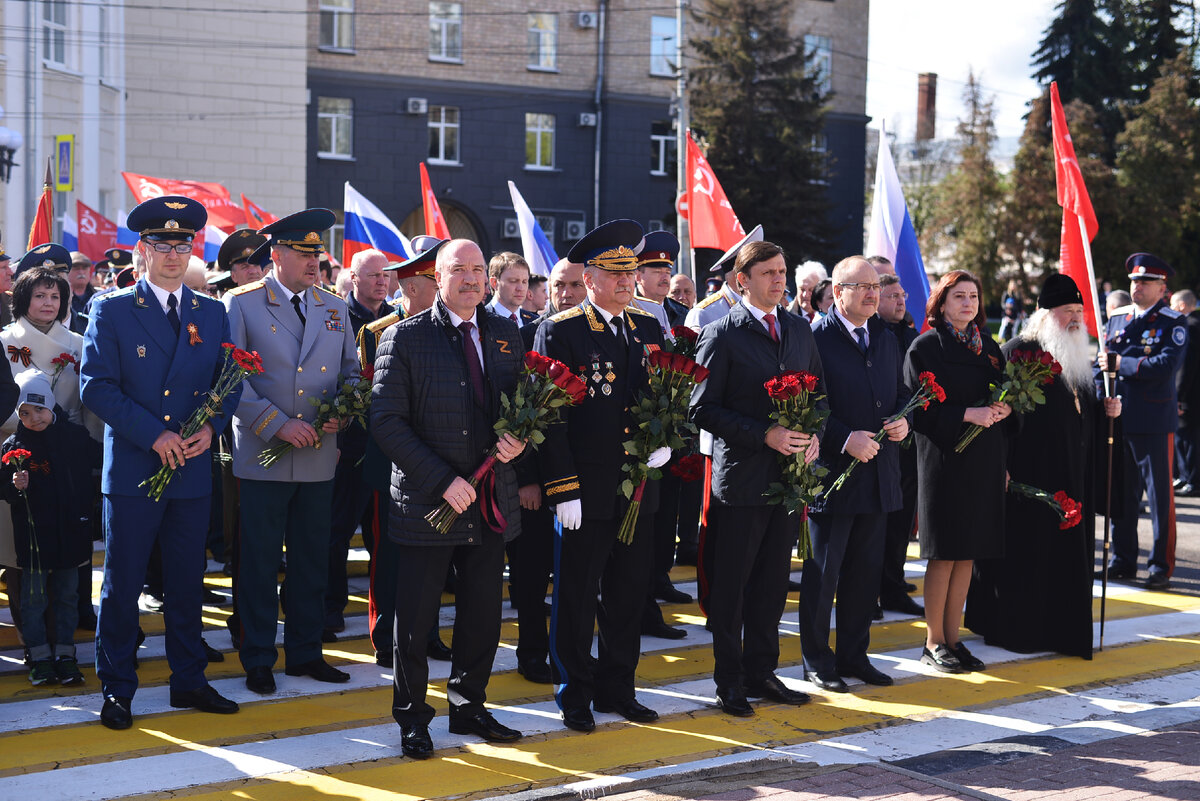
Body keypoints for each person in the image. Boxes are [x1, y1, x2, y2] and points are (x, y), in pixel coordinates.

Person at [81, 196, 241, 729]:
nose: (174, 253)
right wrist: (156, 436)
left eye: (182, 244)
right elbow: (97, 387)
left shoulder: (210, 310)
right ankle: (118, 687)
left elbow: (230, 380)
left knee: (186, 582)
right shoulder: (112, 308)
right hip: (134, 469)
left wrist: (211, 428)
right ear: (141, 252)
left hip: (192, 470)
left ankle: (188, 680)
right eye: (161, 244)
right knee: (124, 585)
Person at [372, 238, 526, 759]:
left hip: (490, 500)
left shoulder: (507, 334)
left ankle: (469, 705)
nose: (470, 279)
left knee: (482, 614)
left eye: (478, 270)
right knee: (415, 623)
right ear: (437, 277)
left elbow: (523, 408)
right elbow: (386, 422)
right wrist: (442, 480)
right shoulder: (405, 338)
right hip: (429, 503)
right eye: (458, 269)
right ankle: (413, 720)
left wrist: (521, 441)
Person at [535, 219, 668, 732]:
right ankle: (574, 692)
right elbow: (551, 418)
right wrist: (561, 487)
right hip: (584, 491)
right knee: (575, 594)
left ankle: (619, 686)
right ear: (589, 279)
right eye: (614, 274)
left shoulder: (647, 328)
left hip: (637, 486)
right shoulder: (562, 330)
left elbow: (663, 399)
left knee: (629, 593)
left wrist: (662, 443)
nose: (626, 282)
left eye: (630, 272)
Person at [223, 209, 358, 695]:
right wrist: (277, 424)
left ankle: (304, 651)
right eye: (303, 254)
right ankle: (258, 656)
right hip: (264, 451)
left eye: (316, 254)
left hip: (319, 453)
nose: (313, 262)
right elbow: (230, 378)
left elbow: (352, 374)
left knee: (310, 559)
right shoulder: (242, 304)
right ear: (276, 255)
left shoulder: (334, 307)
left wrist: (342, 413)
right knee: (259, 562)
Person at [690, 238, 820, 716]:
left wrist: (815, 435)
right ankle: (730, 682)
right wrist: (763, 433)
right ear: (741, 280)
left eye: (783, 271)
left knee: (771, 583)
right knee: (733, 587)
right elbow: (701, 408)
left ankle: (762, 671)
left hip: (787, 482)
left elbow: (819, 395)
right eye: (768, 273)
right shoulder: (722, 334)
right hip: (742, 481)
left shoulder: (799, 329)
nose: (779, 280)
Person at [967, 274, 1121, 659]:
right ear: (1043, 313)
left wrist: (1107, 413)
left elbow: (1080, 412)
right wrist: (998, 466)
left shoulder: (1076, 356)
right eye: (1066, 311)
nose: (1074, 319)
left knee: (1065, 559)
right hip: (1028, 477)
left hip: (1073, 477)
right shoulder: (1018, 352)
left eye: (1079, 312)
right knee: (1028, 557)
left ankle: (1062, 628)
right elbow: (998, 418)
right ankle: (1019, 628)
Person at [802, 257, 908, 692]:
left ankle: (853, 654)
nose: (872, 293)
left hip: (878, 474)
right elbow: (808, 402)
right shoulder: (815, 338)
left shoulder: (883, 337)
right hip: (833, 474)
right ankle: (815, 659)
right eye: (862, 286)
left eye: (876, 286)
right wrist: (844, 439)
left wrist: (905, 421)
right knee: (824, 573)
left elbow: (900, 393)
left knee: (865, 573)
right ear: (838, 291)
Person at [904, 270, 1011, 675]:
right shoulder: (925, 347)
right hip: (944, 461)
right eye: (959, 297)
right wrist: (970, 413)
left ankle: (954, 637)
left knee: (967, 552)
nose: (968, 304)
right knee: (944, 553)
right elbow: (919, 408)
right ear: (942, 303)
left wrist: (1005, 409)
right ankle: (933, 641)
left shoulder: (990, 347)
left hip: (983, 460)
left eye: (973, 296)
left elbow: (1004, 394)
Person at [357, 238, 449, 667]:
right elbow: (374, 405)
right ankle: (385, 635)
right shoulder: (377, 333)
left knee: (433, 558)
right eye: (436, 278)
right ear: (412, 286)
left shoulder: (453, 327)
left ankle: (426, 633)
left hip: (441, 461)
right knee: (390, 556)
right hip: (391, 463)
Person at [510, 257, 585, 684]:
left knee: (574, 577)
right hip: (536, 483)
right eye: (559, 285)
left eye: (574, 285)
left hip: (579, 479)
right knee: (532, 574)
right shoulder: (522, 336)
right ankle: (532, 651)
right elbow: (517, 414)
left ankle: (568, 651)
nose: (566, 293)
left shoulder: (588, 336)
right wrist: (526, 478)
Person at [3, 369, 100, 686]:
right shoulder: (13, 446)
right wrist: (16, 485)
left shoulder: (74, 437)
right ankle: (39, 656)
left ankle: (65, 654)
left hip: (70, 535)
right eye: (25, 413)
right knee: (33, 601)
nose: (34, 418)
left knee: (66, 598)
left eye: (40, 409)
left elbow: (99, 460)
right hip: (33, 541)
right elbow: (5, 491)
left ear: (52, 404)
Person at [1099, 253, 1186, 590]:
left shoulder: (1172, 322)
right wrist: (1100, 390)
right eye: (1134, 281)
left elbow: (1165, 366)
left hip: (1152, 420)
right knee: (1121, 495)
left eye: (1146, 282)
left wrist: (1123, 364)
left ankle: (1160, 566)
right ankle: (1123, 560)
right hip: (1116, 417)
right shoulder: (1118, 318)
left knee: (1159, 497)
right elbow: (1101, 363)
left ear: (1163, 288)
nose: (1137, 286)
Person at [325, 248, 395, 638]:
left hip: (387, 446)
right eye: (372, 276)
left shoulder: (398, 317)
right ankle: (331, 606)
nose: (380, 282)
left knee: (383, 536)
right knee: (336, 530)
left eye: (385, 276)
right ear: (354, 279)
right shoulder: (336, 316)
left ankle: (385, 610)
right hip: (348, 444)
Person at [875, 272, 923, 616]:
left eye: (902, 295)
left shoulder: (911, 336)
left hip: (907, 443)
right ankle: (866, 591)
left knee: (900, 523)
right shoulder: (874, 335)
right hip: (874, 444)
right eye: (892, 296)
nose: (901, 301)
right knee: (873, 527)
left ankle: (892, 584)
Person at [1171, 289, 1200, 495]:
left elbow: (1186, 367)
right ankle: (1185, 476)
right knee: (1184, 438)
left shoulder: (1190, 327)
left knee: (1188, 439)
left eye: (1173, 304)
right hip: (1192, 394)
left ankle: (1192, 479)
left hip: (1189, 395)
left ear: (1182, 306)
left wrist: (1179, 397)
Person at [633, 231, 689, 329]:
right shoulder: (623, 309)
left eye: (668, 272)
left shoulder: (681, 313)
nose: (665, 278)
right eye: (657, 272)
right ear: (638, 276)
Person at [487, 251, 536, 325]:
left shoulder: (534, 323)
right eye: (513, 281)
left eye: (524, 282)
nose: (520, 288)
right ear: (494, 283)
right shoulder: (480, 320)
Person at [67, 252, 96, 335]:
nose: (81, 272)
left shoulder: (98, 296)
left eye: (84, 268)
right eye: (76, 268)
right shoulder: (60, 298)